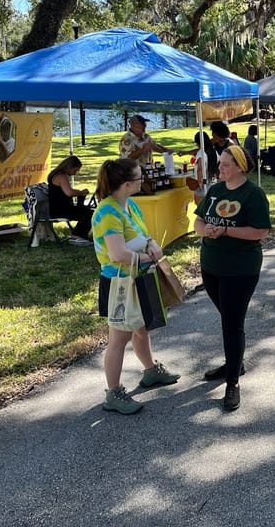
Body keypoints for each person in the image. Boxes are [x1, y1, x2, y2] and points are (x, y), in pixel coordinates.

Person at [91, 158, 179, 415]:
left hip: (136, 276)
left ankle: (151, 370)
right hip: (119, 281)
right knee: (119, 338)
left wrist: (151, 244)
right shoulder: (107, 212)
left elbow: (143, 234)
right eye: (140, 177)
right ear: (127, 184)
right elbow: (117, 253)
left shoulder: (129, 205)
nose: (144, 180)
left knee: (141, 327)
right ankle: (113, 392)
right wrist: (148, 257)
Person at [194, 145, 271, 411]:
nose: (220, 169)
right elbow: (198, 222)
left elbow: (260, 231)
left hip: (240, 269)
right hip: (211, 266)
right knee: (227, 317)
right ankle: (234, 362)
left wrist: (226, 231)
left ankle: (232, 382)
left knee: (232, 324)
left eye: (226, 164)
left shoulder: (253, 194)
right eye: (220, 164)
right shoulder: (215, 191)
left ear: (240, 166)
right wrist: (208, 231)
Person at [46, 155, 93, 240]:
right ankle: (78, 235)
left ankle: (78, 233)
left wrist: (78, 193)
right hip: (60, 210)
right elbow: (69, 193)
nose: (76, 173)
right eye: (75, 170)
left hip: (59, 208)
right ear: (69, 167)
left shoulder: (57, 175)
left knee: (86, 212)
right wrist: (81, 192)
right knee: (89, 214)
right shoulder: (61, 176)